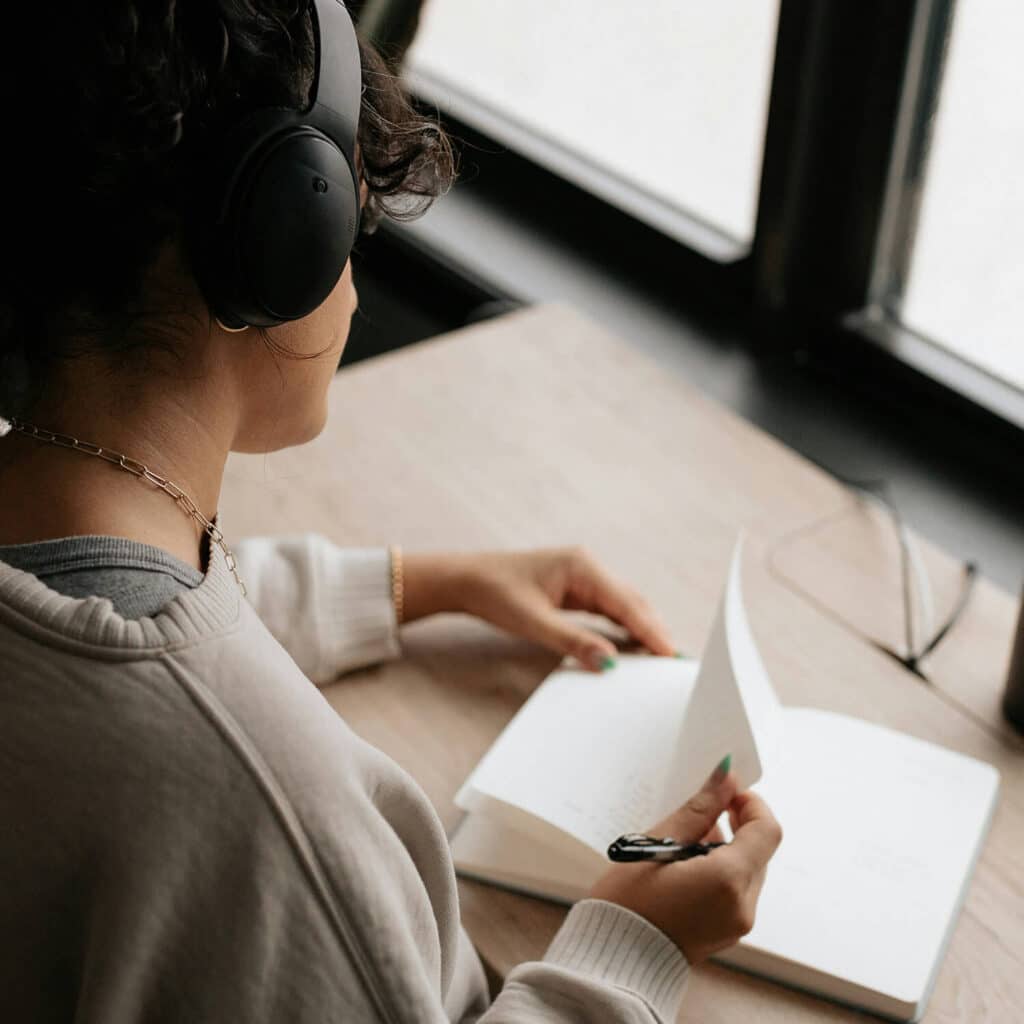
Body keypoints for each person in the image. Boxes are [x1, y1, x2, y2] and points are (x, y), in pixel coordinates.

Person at [0, 2, 781, 1021]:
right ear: (279, 237)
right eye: (352, 227)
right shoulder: (260, 816)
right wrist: (630, 946)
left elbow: (95, 625)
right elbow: (171, 704)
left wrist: (417, 584)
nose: (353, 285)